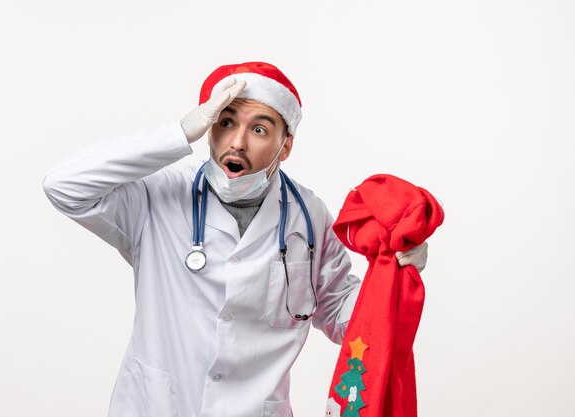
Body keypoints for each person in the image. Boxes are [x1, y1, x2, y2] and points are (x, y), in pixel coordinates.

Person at [42, 62, 428, 417]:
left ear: (286, 145)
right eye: (225, 122)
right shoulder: (157, 197)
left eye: (259, 129)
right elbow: (63, 187)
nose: (238, 142)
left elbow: (344, 316)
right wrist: (180, 131)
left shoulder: (307, 215)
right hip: (157, 405)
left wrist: (391, 270)